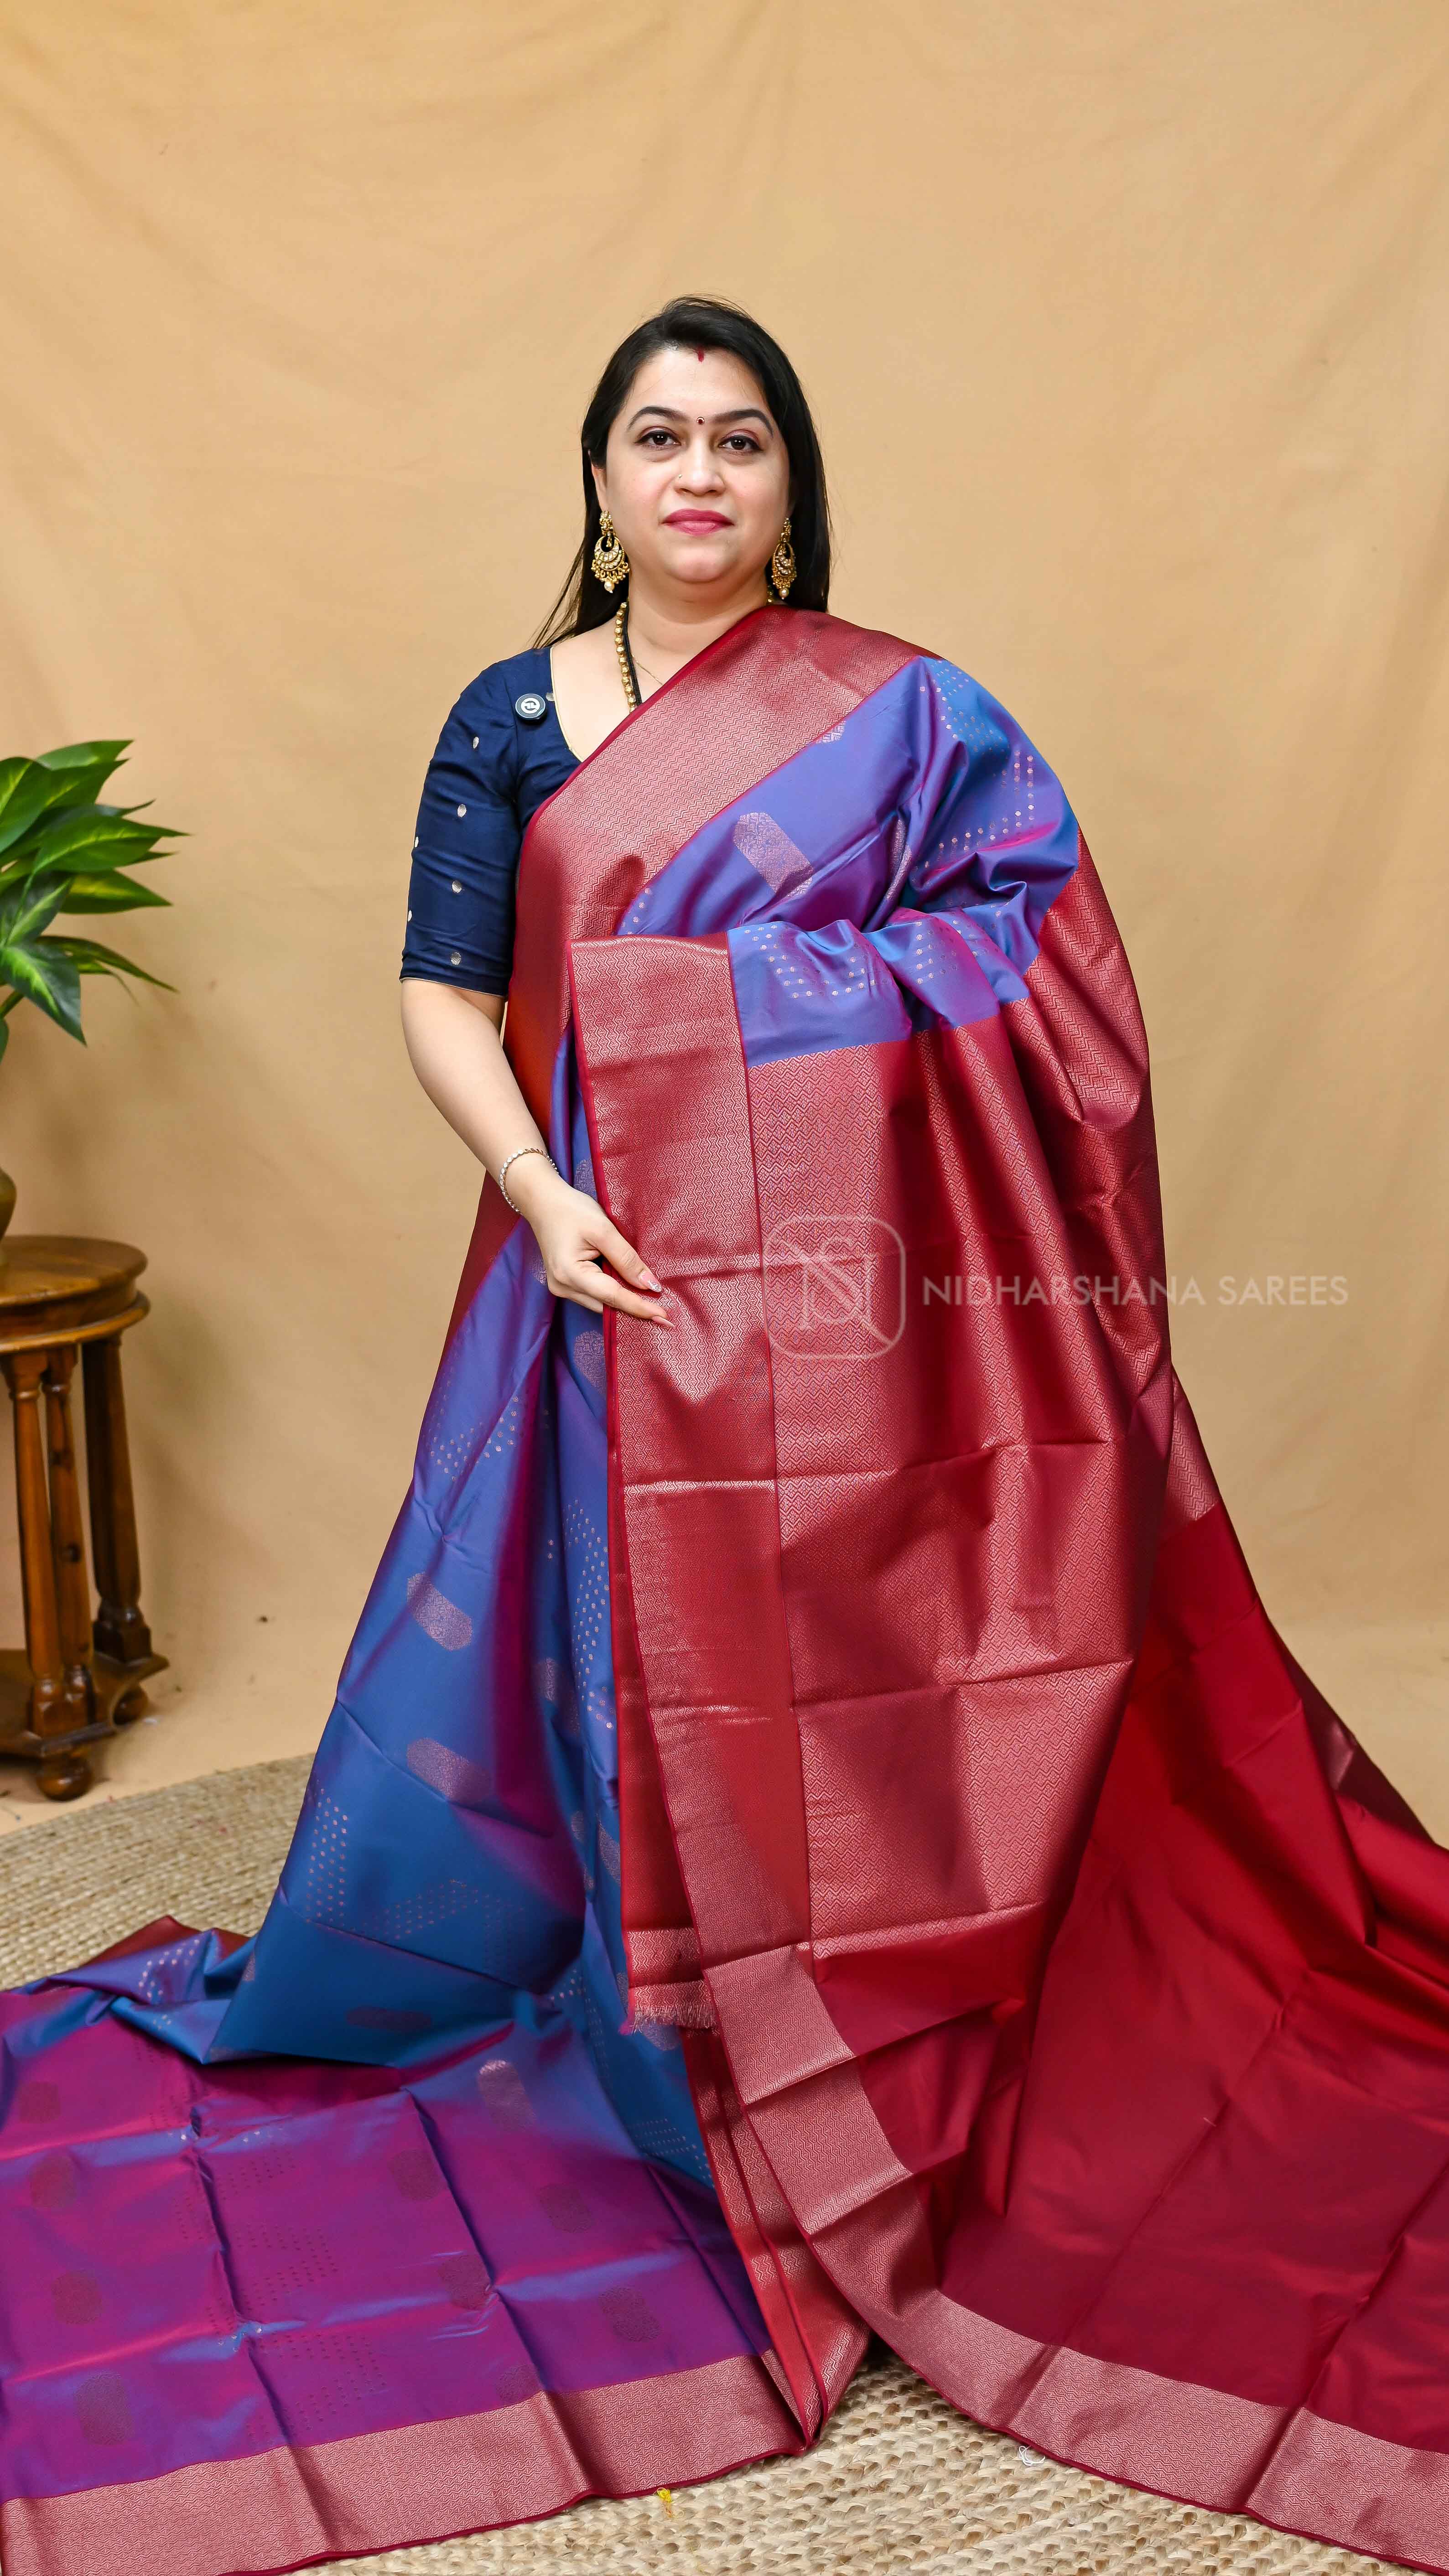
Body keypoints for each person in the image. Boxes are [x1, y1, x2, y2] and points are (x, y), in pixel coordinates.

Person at [4, 295, 1449, 2576]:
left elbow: (1047, 974)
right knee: (625, 1676)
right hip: (605, 1280)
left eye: (741, 439)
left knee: (859, 1689)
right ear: (599, 482)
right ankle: (689, 2031)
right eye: (659, 437)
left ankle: (868, 2014)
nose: (698, 474)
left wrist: (705, 1020)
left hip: (873, 1337)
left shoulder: (908, 718)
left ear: (790, 483)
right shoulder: (510, 717)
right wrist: (543, 1186)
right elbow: (445, 990)